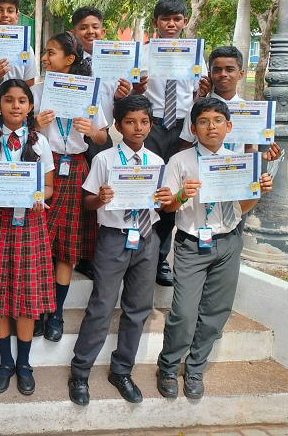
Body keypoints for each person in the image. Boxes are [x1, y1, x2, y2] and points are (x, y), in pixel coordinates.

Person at [156, 98, 273, 399]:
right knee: (183, 311)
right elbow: (166, 206)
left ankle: (195, 368)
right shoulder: (180, 161)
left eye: (218, 121)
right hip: (192, 244)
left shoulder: (237, 161)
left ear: (228, 126)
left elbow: (242, 207)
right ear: (193, 128)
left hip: (228, 241)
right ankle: (168, 367)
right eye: (204, 122)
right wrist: (183, 194)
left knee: (216, 310)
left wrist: (256, 191)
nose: (211, 127)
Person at [68, 95, 173, 406]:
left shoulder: (156, 163)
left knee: (138, 308)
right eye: (130, 121)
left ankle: (122, 369)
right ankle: (80, 371)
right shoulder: (104, 160)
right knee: (101, 305)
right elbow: (87, 203)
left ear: (151, 124)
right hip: (114, 237)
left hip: (146, 239)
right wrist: (100, 198)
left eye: (143, 122)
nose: (137, 128)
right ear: (117, 125)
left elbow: (161, 203)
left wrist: (165, 198)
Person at [0, 79, 56, 396]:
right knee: (0, 299)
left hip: (30, 226)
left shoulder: (40, 143)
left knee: (28, 301)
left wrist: (40, 198)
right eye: (8, 100)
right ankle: (5, 362)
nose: (15, 105)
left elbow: (50, 187)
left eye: (22, 100)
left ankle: (25, 364)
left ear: (30, 106)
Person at [31, 32, 108, 341]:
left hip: (75, 168)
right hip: (42, 168)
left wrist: (91, 130)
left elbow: (102, 138)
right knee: (39, 243)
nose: (46, 58)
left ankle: (56, 314)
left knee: (66, 248)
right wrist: (34, 126)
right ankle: (37, 309)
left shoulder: (89, 94)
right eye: (45, 53)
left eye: (51, 53)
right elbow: (20, 130)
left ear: (70, 60)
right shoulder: (36, 92)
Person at [131, 0, 208, 287]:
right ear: (155, 23)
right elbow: (132, 97)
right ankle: (138, 252)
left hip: (182, 129)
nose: (171, 24)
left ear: (185, 22)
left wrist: (204, 90)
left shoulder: (195, 54)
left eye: (177, 19)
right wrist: (137, 87)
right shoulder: (143, 53)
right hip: (151, 128)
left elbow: (196, 98)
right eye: (165, 19)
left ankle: (161, 259)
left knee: (171, 193)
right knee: (147, 187)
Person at [69, 6, 131, 281]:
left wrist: (123, 96)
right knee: (78, 194)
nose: (90, 31)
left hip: (101, 135)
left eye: (95, 27)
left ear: (103, 31)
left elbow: (120, 108)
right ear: (75, 33)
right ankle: (78, 252)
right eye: (83, 27)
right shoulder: (69, 61)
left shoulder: (115, 63)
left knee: (99, 191)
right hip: (70, 135)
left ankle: (93, 253)